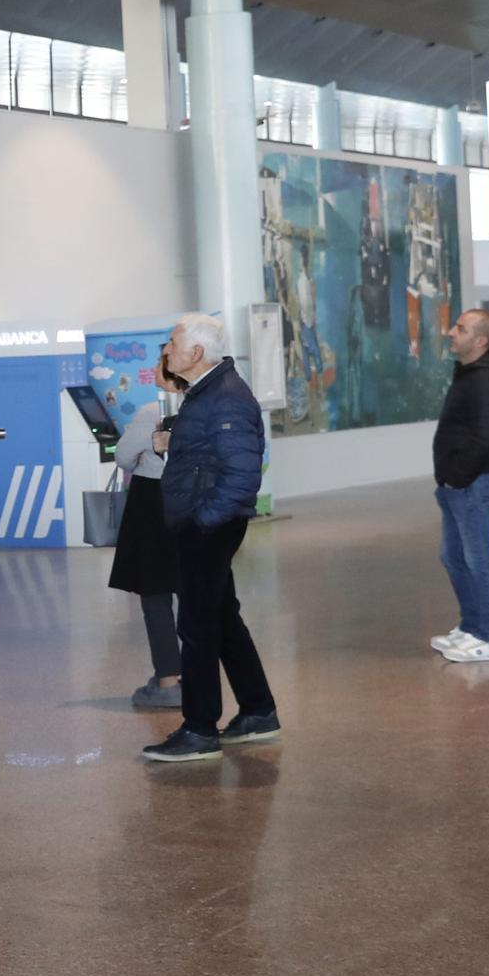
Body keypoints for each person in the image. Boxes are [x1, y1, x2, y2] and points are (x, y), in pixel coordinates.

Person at [141, 314, 280, 763]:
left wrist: (204, 521)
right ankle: (258, 711)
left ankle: (199, 729)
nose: (168, 349)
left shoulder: (225, 398)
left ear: (196, 353)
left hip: (209, 526)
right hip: (204, 522)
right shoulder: (206, 394)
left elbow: (241, 475)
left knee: (197, 626)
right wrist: (172, 442)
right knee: (222, 618)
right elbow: (209, 453)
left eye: (175, 342)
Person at [429, 309, 489, 664]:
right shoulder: (472, 374)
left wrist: (460, 476)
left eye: (460, 328)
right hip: (458, 483)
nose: (451, 332)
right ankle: (470, 626)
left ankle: (485, 638)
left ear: (480, 340)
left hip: (474, 482)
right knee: (454, 556)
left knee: (478, 559)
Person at [110, 398, 180, 710]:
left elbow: (124, 457)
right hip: (193, 500)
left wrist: (144, 455)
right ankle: (195, 677)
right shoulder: (206, 404)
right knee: (193, 594)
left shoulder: (151, 411)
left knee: (155, 595)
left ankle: (168, 682)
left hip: (152, 504)